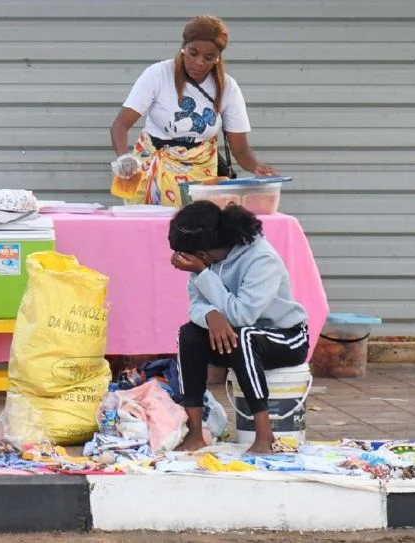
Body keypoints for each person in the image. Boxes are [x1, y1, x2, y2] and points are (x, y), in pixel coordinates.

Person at [168, 201, 308, 454]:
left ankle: (265, 436)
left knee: (244, 335)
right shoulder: (205, 263)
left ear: (203, 252)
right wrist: (211, 315)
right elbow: (196, 305)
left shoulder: (262, 259)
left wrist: (203, 274)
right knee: (188, 334)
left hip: (286, 337)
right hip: (237, 336)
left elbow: (243, 315)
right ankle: (196, 433)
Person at [110, 15, 278, 207]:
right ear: (183, 48)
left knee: (196, 231)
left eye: (209, 57)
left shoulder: (227, 87)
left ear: (217, 58)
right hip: (152, 172)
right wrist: (124, 158)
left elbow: (239, 148)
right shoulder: (157, 74)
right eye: (193, 53)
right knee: (147, 231)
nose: (199, 62)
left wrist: (257, 167)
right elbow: (120, 125)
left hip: (200, 180)